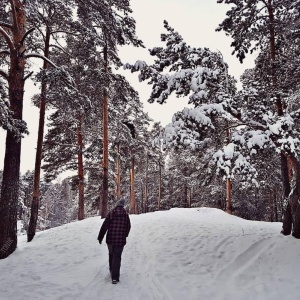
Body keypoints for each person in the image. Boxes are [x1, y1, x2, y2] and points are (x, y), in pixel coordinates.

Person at [97, 198, 131, 284]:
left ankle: (112, 269)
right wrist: (125, 235)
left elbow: (105, 225)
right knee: (117, 257)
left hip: (110, 240)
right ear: (123, 205)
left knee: (111, 254)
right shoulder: (125, 214)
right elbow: (128, 227)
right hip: (120, 240)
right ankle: (115, 277)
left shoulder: (111, 213)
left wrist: (100, 237)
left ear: (117, 204)